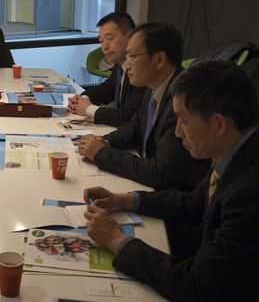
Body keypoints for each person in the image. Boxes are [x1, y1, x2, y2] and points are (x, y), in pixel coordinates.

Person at [83, 60, 259, 302]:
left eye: (184, 121)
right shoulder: (242, 148)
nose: (177, 132)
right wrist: (127, 199)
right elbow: (195, 202)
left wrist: (117, 240)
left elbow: (195, 286)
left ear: (218, 124)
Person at [77, 22, 209, 191]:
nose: (128, 64)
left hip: (174, 195)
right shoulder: (155, 86)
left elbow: (160, 173)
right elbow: (137, 125)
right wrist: (106, 141)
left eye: (132, 56)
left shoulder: (182, 100)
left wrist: (101, 153)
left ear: (159, 59)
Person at [68, 12, 146, 127]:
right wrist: (81, 100)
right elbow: (105, 90)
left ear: (130, 36)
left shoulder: (142, 72)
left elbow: (125, 117)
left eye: (109, 38)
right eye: (101, 41)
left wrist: (88, 108)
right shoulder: (121, 65)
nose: (104, 46)